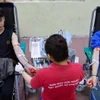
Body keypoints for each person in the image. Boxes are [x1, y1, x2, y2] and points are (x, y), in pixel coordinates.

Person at [15, 34, 84, 100]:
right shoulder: (78, 68)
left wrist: (21, 71)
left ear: (49, 56)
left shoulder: (43, 74)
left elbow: (33, 84)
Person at [0, 8, 36, 100]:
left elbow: (17, 50)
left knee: (6, 94)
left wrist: (26, 64)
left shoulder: (11, 34)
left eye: (0, 20)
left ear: (4, 19)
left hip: (8, 68)